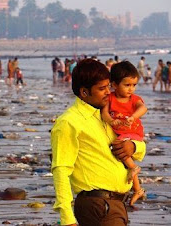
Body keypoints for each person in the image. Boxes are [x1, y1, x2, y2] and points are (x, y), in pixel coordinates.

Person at [51, 59, 146, 226]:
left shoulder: (106, 117)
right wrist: (67, 219)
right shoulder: (69, 122)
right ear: (84, 92)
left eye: (109, 86)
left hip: (115, 204)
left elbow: (137, 147)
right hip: (98, 205)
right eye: (102, 89)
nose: (108, 92)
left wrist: (133, 146)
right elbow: (61, 170)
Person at [102, 61, 147, 207]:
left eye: (134, 85)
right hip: (121, 133)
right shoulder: (111, 98)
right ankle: (138, 189)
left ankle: (134, 171)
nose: (131, 89)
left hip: (133, 133)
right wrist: (111, 121)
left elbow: (143, 108)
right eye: (127, 85)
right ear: (114, 85)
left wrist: (133, 117)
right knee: (121, 153)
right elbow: (104, 113)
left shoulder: (134, 99)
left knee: (118, 147)